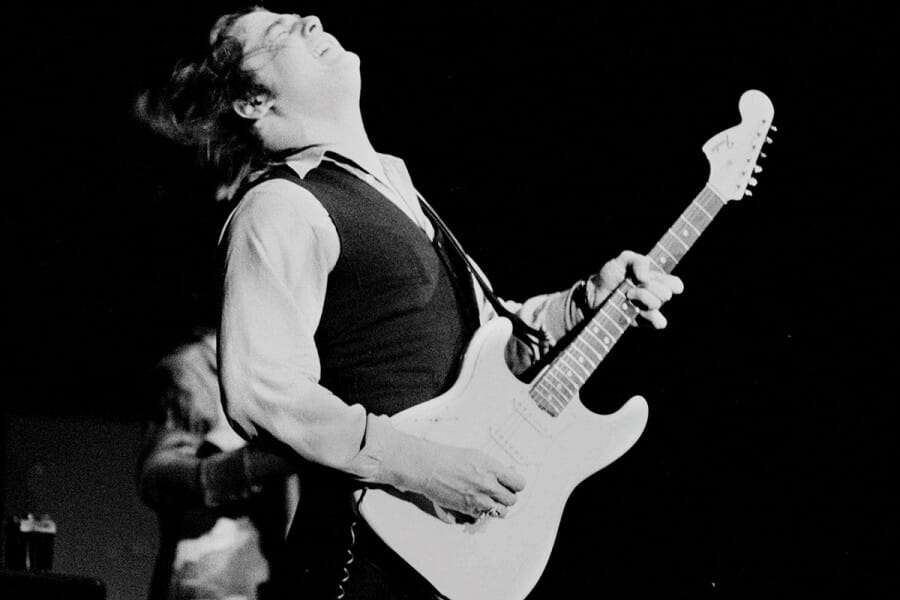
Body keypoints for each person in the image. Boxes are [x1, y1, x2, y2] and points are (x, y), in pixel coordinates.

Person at [145, 7, 684, 598]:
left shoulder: (400, 196)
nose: (312, 22)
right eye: (282, 33)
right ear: (252, 99)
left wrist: (587, 300)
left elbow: (491, 344)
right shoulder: (280, 205)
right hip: (362, 556)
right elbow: (265, 393)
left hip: (435, 556)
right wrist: (423, 465)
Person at [137, 328, 299, 600]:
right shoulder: (193, 370)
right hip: (210, 586)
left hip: (272, 582)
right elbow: (154, 476)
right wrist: (257, 463)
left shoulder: (287, 370)